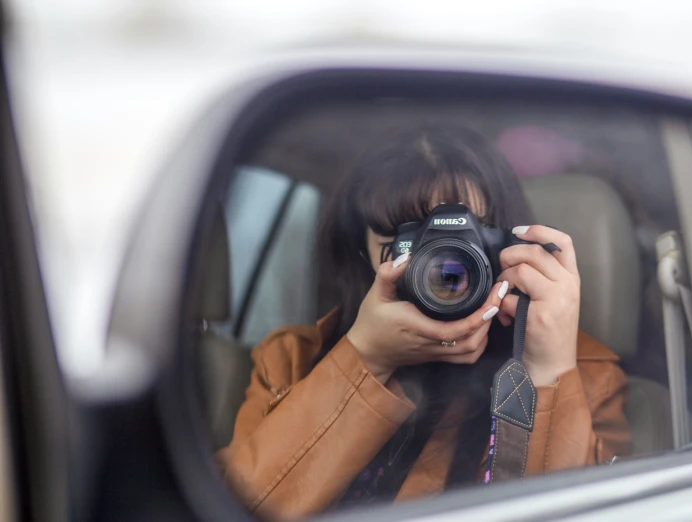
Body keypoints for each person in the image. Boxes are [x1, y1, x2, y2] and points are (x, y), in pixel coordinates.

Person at [217, 124, 629, 518]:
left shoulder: (584, 377)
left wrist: (547, 368)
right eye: (411, 242)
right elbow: (230, 506)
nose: (445, 269)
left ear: (508, 246)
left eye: (465, 241)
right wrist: (365, 358)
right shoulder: (291, 359)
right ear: (363, 253)